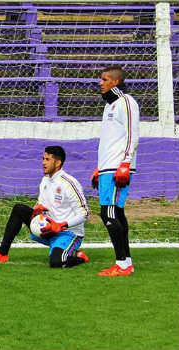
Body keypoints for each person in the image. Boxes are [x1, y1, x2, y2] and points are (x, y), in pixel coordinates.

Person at [0, 146, 90, 268]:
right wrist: (37, 209)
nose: (43, 162)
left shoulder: (69, 183)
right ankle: (1, 254)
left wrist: (60, 225)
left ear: (58, 163)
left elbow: (84, 213)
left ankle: (79, 257)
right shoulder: (45, 181)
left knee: (56, 263)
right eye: (43, 159)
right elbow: (41, 205)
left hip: (68, 233)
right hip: (48, 228)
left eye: (47, 159)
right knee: (19, 209)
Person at [91, 66, 139, 276]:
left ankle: (121, 264)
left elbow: (132, 135)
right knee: (116, 213)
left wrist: (126, 163)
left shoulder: (126, 102)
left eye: (104, 79)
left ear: (115, 82)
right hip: (107, 167)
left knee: (107, 212)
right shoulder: (109, 106)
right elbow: (110, 141)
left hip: (118, 167)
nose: (100, 83)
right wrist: (99, 168)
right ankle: (126, 261)